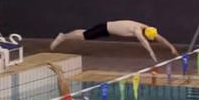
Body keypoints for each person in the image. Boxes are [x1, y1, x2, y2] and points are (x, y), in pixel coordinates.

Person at [50, 20, 178, 62]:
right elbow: (144, 42)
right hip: (105, 28)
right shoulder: (137, 30)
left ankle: (64, 36)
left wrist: (171, 47)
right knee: (84, 35)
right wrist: (151, 53)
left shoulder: (144, 27)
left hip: (107, 29)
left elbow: (159, 37)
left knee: (85, 33)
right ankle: (63, 37)